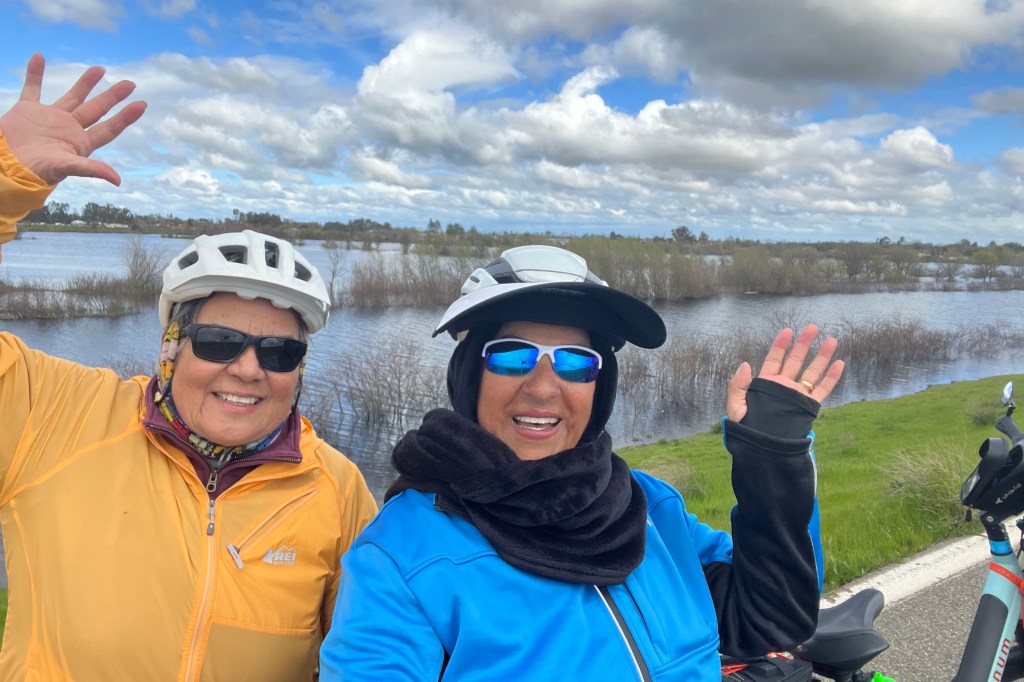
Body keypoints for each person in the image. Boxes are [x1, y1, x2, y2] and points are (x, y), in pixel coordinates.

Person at [0, 53, 377, 681]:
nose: (249, 370)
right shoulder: (54, 415)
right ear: (171, 347)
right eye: (220, 342)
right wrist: (3, 180)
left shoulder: (336, 488)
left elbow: (367, 652)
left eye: (279, 352)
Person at [320, 244, 844, 680]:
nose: (543, 387)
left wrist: (772, 461)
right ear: (469, 376)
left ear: (600, 387)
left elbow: (769, 616)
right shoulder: (400, 555)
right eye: (512, 356)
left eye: (575, 362)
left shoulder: (649, 507)